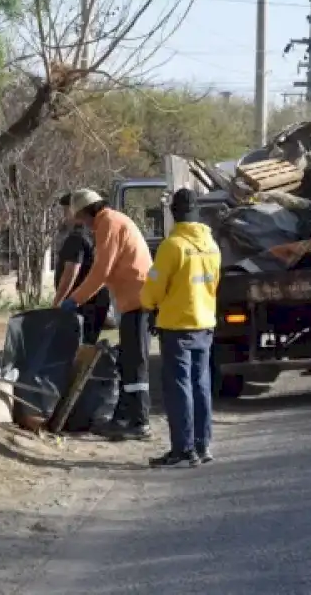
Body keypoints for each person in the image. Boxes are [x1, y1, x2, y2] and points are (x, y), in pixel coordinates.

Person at [59, 189, 154, 441]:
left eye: (79, 217)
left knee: (135, 363)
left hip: (138, 300)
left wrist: (74, 300)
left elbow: (101, 271)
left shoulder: (108, 223)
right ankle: (127, 418)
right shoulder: (111, 221)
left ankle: (139, 421)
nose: (81, 223)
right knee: (129, 361)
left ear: (85, 211)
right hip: (134, 299)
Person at [140, 188, 221, 467]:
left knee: (179, 387)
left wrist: (149, 305)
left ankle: (183, 449)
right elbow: (213, 283)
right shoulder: (211, 244)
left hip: (177, 325)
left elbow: (153, 285)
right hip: (204, 323)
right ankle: (203, 444)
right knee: (201, 384)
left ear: (174, 213)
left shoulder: (172, 246)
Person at [51, 193, 111, 345]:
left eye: (66, 211)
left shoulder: (76, 237)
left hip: (82, 306)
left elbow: (71, 272)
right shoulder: (94, 232)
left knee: (76, 349)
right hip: (97, 302)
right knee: (86, 348)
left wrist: (57, 303)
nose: (65, 216)